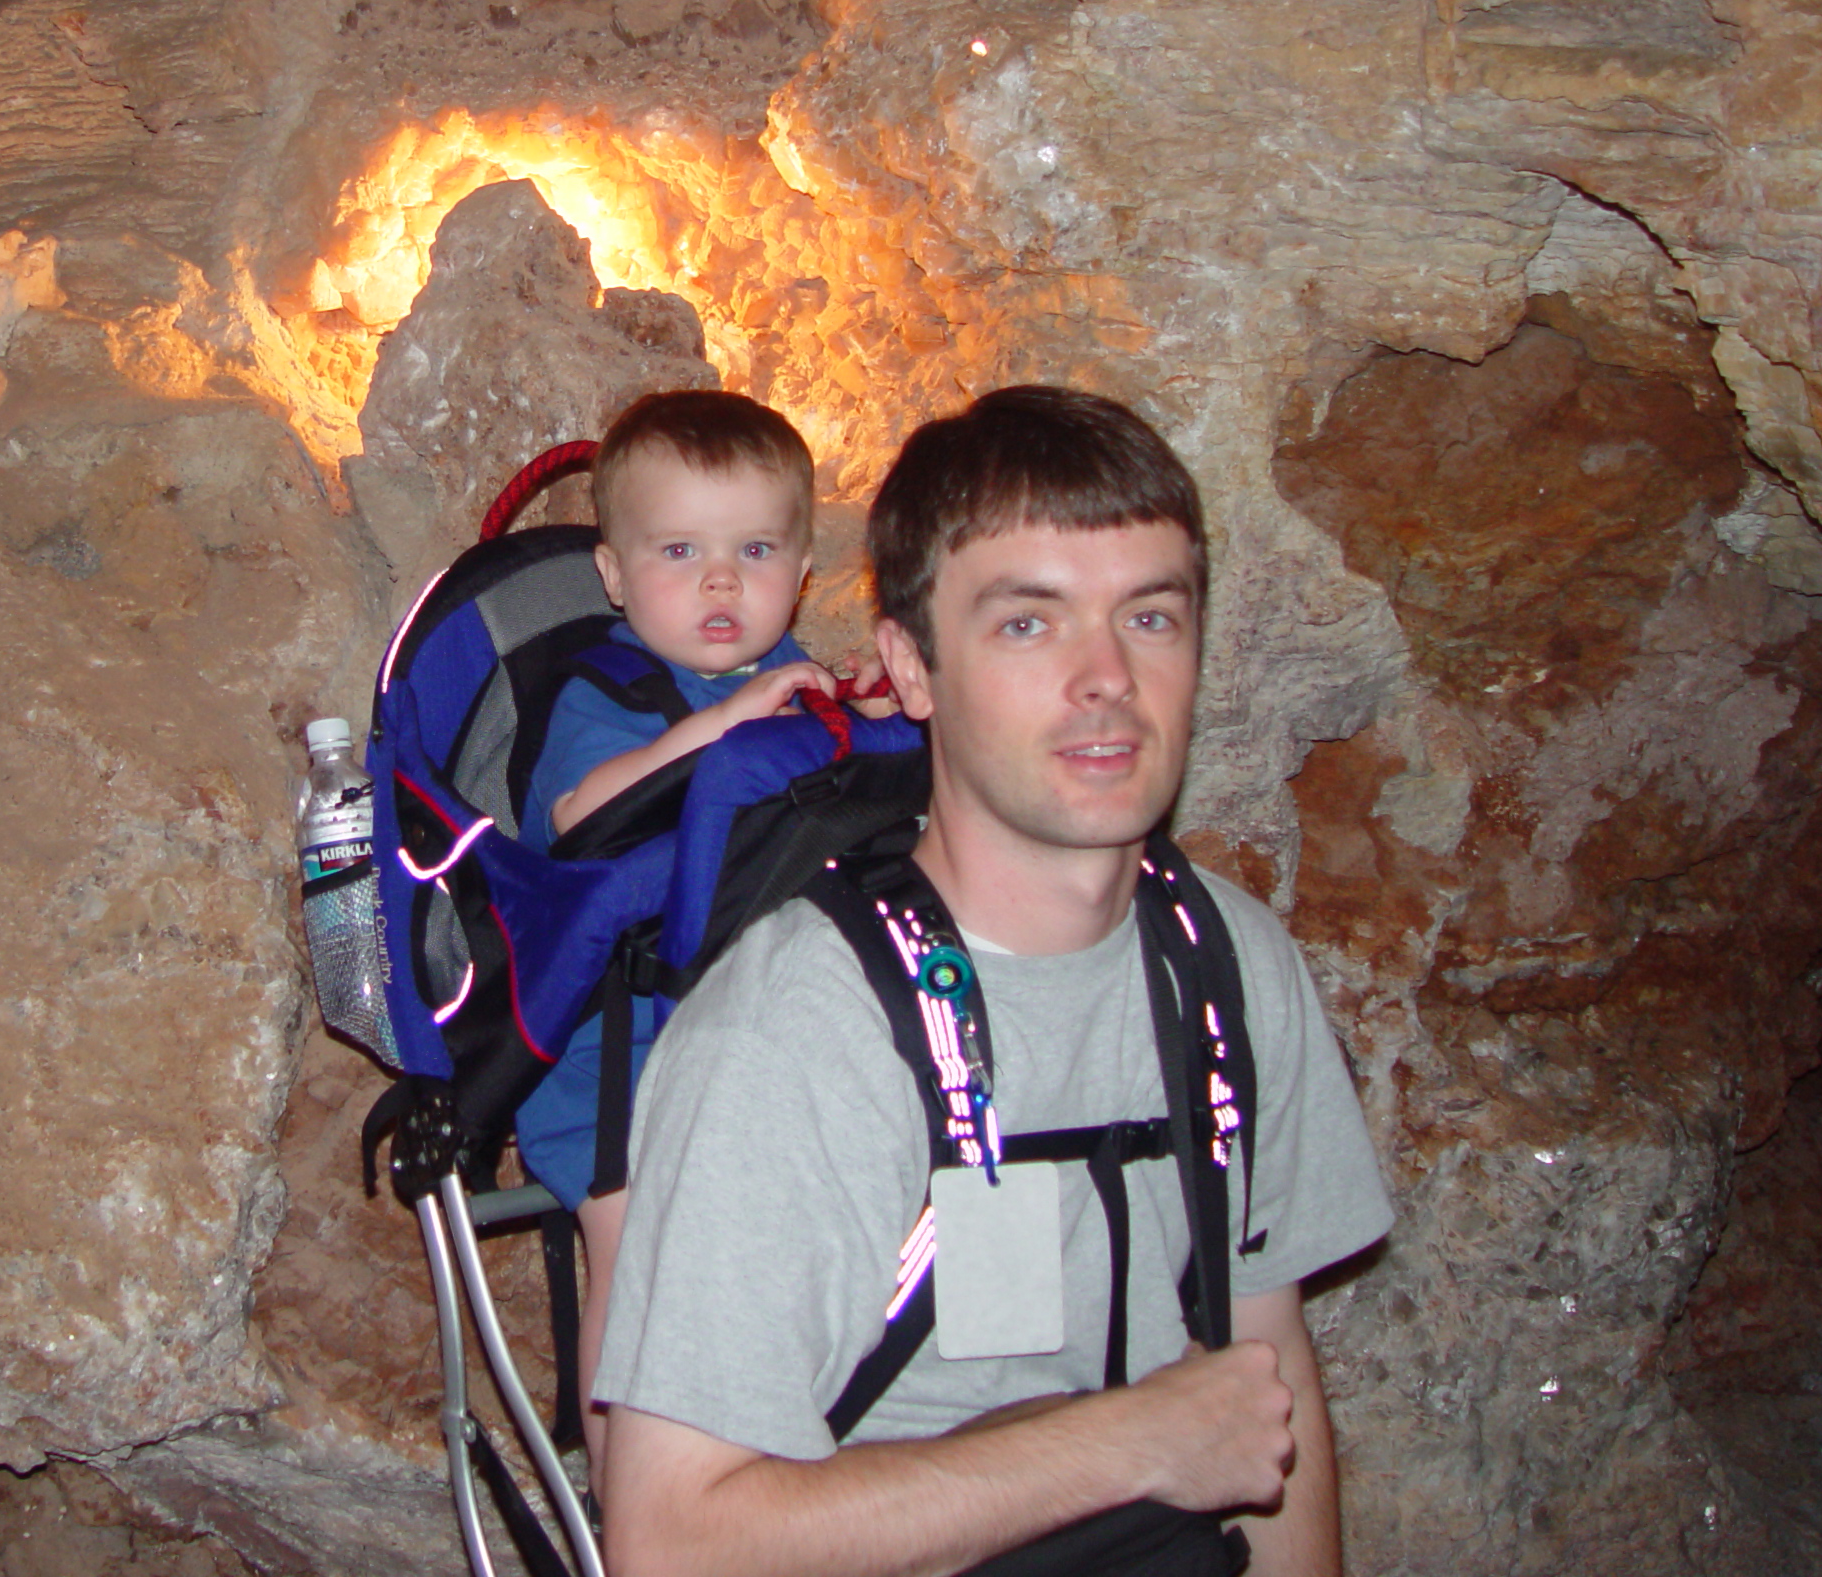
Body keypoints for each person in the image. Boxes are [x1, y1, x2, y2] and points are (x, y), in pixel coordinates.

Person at [596, 385, 1394, 1577]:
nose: (1106, 680)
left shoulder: (1225, 969)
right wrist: (1121, 1443)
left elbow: (1263, 1379)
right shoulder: (799, 1033)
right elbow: (671, 1541)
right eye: (1028, 624)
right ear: (910, 670)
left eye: (1151, 618)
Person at [514, 389, 843, 1488]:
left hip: (759, 1047)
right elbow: (574, 815)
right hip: (611, 1053)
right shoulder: (606, 695)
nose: (719, 581)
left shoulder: (807, 691)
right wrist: (717, 730)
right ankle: (632, 1510)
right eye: (679, 551)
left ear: (800, 567)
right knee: (634, 1245)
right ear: (614, 576)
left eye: (754, 549)